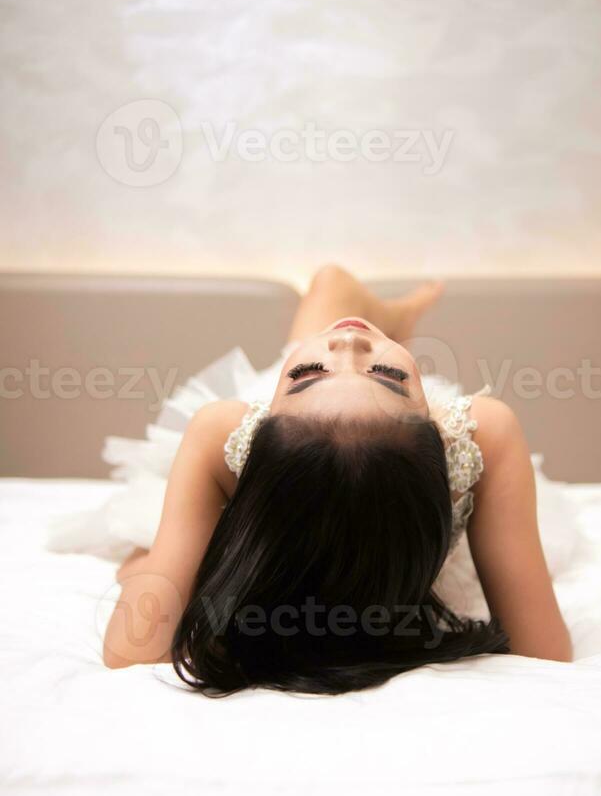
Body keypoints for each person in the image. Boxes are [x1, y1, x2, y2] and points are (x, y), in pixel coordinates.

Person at [53, 266, 572, 693]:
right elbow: (547, 649)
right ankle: (393, 326)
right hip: (325, 466)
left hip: (334, 473)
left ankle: (376, 334)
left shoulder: (221, 431)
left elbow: (129, 652)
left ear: (257, 432)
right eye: (393, 378)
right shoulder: (482, 430)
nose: (348, 343)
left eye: (302, 376)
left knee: (329, 291)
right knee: (331, 291)